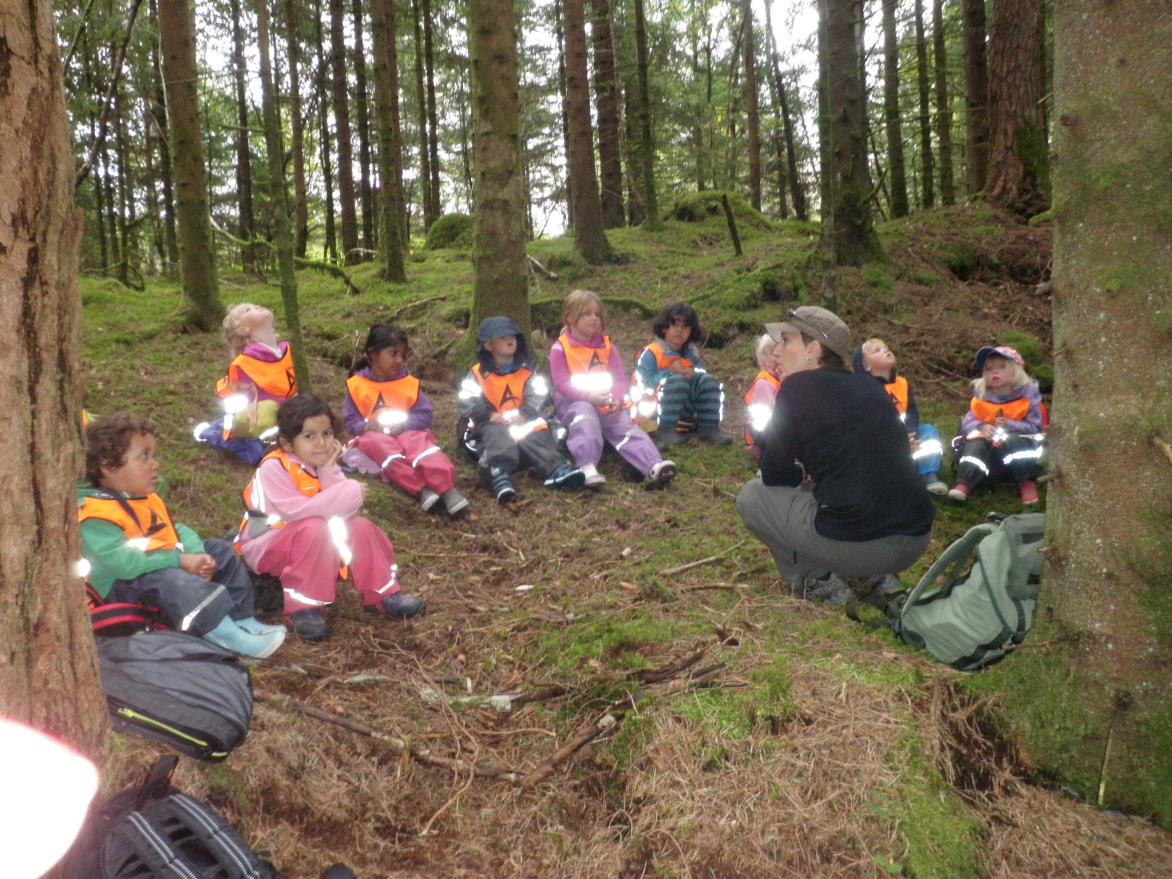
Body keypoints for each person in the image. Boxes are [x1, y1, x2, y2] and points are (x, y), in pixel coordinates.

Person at [736, 307, 935, 605]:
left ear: (814, 349)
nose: (776, 352)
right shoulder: (870, 385)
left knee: (752, 497)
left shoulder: (796, 388)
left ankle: (818, 581)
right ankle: (878, 580)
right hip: (917, 536)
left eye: (787, 341)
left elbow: (774, 471)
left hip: (861, 545)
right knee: (830, 489)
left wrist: (799, 475)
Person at [79, 414, 286, 658]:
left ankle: (243, 619)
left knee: (220, 551)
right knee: (171, 581)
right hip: (123, 589)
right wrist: (178, 561)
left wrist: (196, 554)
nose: (154, 464)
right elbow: (123, 564)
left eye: (154, 456)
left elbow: (176, 531)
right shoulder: (93, 514)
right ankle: (224, 634)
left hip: (163, 565)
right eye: (144, 457)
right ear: (108, 465)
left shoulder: (145, 498)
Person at [236, 395, 425, 642]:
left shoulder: (322, 464)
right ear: (288, 443)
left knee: (360, 527)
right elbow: (297, 513)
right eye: (309, 436)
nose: (321, 443)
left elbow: (345, 510)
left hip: (312, 542)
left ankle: (382, 594)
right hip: (266, 545)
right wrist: (349, 492)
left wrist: (329, 472)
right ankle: (304, 608)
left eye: (326, 434)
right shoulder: (274, 467)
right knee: (313, 528)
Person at [549, 290, 677, 488]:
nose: (594, 318)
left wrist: (616, 399)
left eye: (597, 314)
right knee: (585, 417)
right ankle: (587, 466)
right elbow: (561, 383)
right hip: (574, 404)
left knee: (625, 427)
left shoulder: (608, 348)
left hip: (607, 404)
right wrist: (588, 396)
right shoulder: (560, 349)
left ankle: (653, 465)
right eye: (586, 314)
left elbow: (619, 379)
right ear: (570, 318)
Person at [340, 324, 468, 517]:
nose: (399, 360)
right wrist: (366, 427)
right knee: (379, 446)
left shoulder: (408, 384)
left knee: (420, 446)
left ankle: (447, 489)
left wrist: (404, 426)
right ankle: (421, 489)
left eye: (403, 355)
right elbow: (351, 422)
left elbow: (425, 415)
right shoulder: (356, 386)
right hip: (376, 437)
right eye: (393, 354)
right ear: (373, 354)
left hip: (408, 432)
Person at [457, 316, 585, 502]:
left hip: (522, 420)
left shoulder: (526, 371)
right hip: (491, 424)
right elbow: (467, 400)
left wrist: (524, 414)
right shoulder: (477, 374)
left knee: (538, 429)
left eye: (513, 336)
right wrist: (489, 415)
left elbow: (539, 394)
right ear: (488, 345)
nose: (510, 340)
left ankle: (556, 468)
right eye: (502, 337)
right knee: (497, 436)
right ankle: (498, 474)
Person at [194, 303, 298, 466]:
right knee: (267, 410)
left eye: (255, 305)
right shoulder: (244, 363)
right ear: (243, 330)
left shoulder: (289, 349)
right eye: (248, 310)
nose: (257, 307)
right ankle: (216, 433)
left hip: (291, 408)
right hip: (263, 415)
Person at [949, 345, 1045, 505]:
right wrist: (981, 427)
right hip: (987, 456)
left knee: (1014, 440)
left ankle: (1025, 482)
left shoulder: (1029, 399)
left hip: (1014, 455)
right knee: (976, 442)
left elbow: (1035, 428)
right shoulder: (980, 398)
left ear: (1017, 371)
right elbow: (967, 424)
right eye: (988, 369)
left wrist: (1010, 425)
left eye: (1001, 367)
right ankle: (965, 483)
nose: (994, 372)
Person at [852, 338, 948, 494]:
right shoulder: (864, 389)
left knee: (929, 432)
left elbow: (911, 411)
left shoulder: (902, 384)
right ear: (866, 366)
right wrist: (898, 438)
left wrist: (910, 433)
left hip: (907, 436)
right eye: (877, 350)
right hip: (883, 439)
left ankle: (929, 475)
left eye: (885, 347)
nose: (884, 350)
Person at [631, 302, 731, 447]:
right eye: (675, 325)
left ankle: (709, 428)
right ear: (665, 327)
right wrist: (669, 373)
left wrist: (693, 373)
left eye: (685, 327)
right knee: (678, 381)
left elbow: (701, 373)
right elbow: (643, 383)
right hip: (652, 411)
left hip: (685, 409)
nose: (680, 330)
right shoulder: (651, 353)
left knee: (709, 381)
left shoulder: (690, 353)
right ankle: (665, 431)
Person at [743, 333, 782, 457]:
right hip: (762, 439)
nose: (777, 356)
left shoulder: (781, 379)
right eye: (772, 352)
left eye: (780, 350)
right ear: (763, 360)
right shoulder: (764, 384)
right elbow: (773, 415)